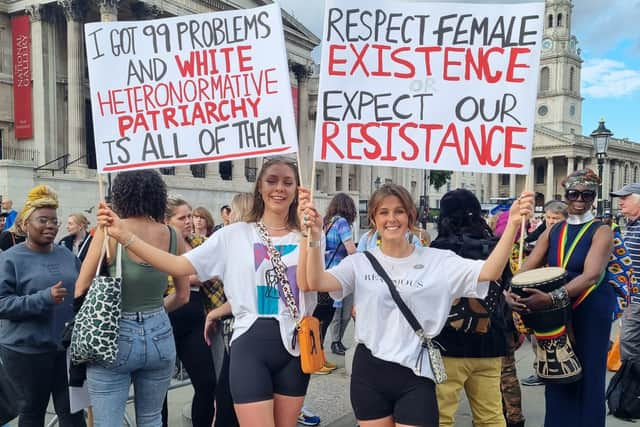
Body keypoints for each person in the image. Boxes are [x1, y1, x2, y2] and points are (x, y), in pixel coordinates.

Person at [96, 157, 317, 426]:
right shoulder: (233, 235)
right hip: (251, 346)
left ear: (297, 189)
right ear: (259, 186)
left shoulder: (309, 233)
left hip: (295, 347)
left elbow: (308, 284)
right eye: (272, 181)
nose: (279, 188)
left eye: (287, 182)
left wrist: (312, 235)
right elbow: (178, 264)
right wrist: (125, 237)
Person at [298, 183, 533, 427]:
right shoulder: (360, 262)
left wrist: (513, 225)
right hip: (369, 371)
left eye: (399, 211)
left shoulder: (437, 260)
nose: (392, 218)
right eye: (384, 212)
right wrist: (314, 237)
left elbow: (489, 271)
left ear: (410, 216)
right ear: (374, 219)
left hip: (416, 372)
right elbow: (316, 281)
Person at [75, 170, 190, 427]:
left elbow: (80, 287)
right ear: (157, 196)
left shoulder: (109, 232)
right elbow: (182, 296)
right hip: (160, 332)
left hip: (113, 334)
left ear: (121, 196)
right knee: (151, 419)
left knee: (109, 422)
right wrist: (153, 313)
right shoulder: (172, 235)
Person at [513, 169, 615, 427]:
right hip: (556, 309)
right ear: (565, 195)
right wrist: (512, 290)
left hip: (589, 307)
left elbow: (591, 275)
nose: (580, 199)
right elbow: (530, 264)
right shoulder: (554, 229)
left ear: (594, 197)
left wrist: (550, 299)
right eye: (574, 193)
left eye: (587, 194)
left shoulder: (601, 230)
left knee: (588, 372)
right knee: (556, 371)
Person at [0, 185, 85, 426]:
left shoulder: (67, 256)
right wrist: (43, 298)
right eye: (43, 220)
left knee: (72, 414)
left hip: (66, 350)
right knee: (32, 413)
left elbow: (81, 293)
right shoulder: (10, 259)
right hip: (26, 352)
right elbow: (2, 304)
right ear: (26, 224)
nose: (50, 225)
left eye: (54, 220)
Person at [430, 189, 515, 427]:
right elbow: (504, 288)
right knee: (491, 416)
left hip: (447, 344)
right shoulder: (496, 247)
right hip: (490, 343)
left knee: (441, 416)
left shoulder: (438, 250)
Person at [162, 197, 216, 427]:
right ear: (165, 220)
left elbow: (216, 268)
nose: (189, 221)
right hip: (165, 319)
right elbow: (164, 279)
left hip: (196, 319)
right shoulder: (157, 245)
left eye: (190, 215)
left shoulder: (198, 242)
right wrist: (197, 275)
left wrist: (196, 275)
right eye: (182, 217)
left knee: (207, 383)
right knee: (158, 390)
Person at [322, 193, 357, 359]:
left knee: (334, 309)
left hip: (327, 269)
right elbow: (350, 249)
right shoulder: (342, 223)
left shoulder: (326, 223)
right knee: (344, 309)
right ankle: (336, 341)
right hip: (341, 270)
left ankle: (335, 341)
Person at [610, 183, 640, 363]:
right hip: (632, 299)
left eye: (625, 198)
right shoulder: (632, 225)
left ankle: (630, 386)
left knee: (629, 345)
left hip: (637, 300)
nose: (620, 203)